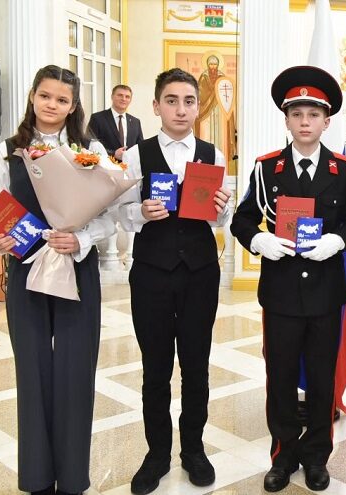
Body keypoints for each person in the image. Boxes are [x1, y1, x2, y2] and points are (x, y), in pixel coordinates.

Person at [230, 66, 346, 492]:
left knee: (323, 378)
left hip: (325, 291)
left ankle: (317, 456)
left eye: (313, 114)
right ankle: (283, 454)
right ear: (286, 120)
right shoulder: (266, 168)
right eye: (297, 114)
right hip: (282, 292)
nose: (305, 122)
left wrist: (337, 241)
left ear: (327, 121)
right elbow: (242, 219)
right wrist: (258, 241)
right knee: (281, 377)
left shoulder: (344, 170)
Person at [0, 65, 115, 495]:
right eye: (45, 96)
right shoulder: (7, 151)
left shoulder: (90, 150)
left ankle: (73, 478)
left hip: (76, 268)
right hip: (27, 268)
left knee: (76, 371)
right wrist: (0, 240)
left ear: (74, 106)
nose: (52, 105)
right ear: (32, 96)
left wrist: (80, 238)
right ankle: (38, 478)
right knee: (33, 370)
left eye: (62, 99)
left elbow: (109, 217)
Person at [115, 68, 233, 494]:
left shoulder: (212, 154)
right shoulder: (135, 155)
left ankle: (194, 450)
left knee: (197, 367)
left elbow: (219, 219)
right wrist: (140, 213)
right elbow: (119, 214)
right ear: (156, 106)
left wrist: (222, 208)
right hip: (151, 273)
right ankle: (157, 454)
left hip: (200, 273)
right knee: (155, 370)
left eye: (188, 101)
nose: (180, 109)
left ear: (197, 107)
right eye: (171, 100)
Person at [87, 84, 144, 159]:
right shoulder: (97, 118)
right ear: (112, 97)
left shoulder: (135, 122)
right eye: (120, 95)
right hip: (106, 164)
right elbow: (88, 144)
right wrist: (113, 154)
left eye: (127, 97)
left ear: (130, 100)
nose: (123, 99)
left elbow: (140, 147)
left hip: (129, 165)